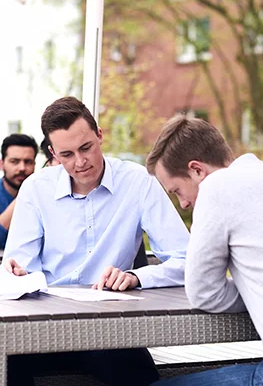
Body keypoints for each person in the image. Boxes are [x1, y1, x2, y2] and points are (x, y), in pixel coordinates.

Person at [3, 97, 189, 386]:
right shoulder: (35, 189)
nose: (80, 162)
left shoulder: (138, 182)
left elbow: (187, 259)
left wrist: (135, 277)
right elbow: (17, 269)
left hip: (107, 328)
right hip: (41, 326)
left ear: (99, 135)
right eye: (66, 154)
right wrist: (17, 276)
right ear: (52, 152)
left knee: (140, 377)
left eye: (86, 147)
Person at [146, 114, 263, 386]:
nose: (183, 204)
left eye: (176, 190)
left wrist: (249, 290)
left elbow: (203, 293)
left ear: (197, 170)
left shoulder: (217, 186)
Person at [0, 133, 38, 249]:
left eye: (28, 162)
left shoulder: (42, 196)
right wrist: (24, 194)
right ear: (2, 164)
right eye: (14, 161)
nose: (22, 168)